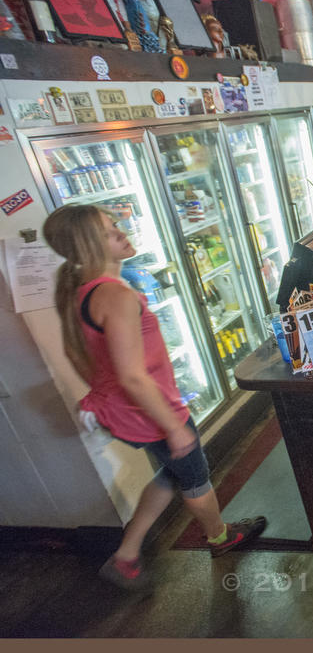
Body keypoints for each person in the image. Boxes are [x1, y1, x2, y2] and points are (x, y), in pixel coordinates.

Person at [42, 204, 266, 591]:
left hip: (122, 412)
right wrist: (171, 425)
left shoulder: (77, 292)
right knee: (194, 477)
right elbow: (131, 374)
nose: (122, 232)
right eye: (112, 231)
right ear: (92, 246)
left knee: (172, 473)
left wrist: (111, 399)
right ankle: (219, 537)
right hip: (149, 411)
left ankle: (126, 555)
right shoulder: (115, 296)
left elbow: (79, 358)